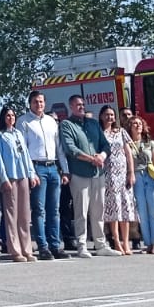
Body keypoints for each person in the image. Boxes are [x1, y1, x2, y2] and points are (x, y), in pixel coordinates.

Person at [59, 95, 111, 257]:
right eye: (77, 105)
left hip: (98, 173)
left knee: (98, 210)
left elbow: (105, 144)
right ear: (71, 106)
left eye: (82, 104)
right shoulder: (67, 125)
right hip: (80, 173)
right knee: (81, 211)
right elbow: (70, 148)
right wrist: (91, 159)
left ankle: (100, 244)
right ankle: (82, 245)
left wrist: (101, 156)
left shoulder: (94, 124)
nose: (81, 107)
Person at [19, 91, 67, 261]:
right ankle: (43, 246)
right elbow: (23, 150)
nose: (38, 104)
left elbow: (59, 146)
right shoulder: (24, 122)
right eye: (35, 102)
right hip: (37, 167)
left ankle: (55, 245)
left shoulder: (51, 121)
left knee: (54, 210)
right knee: (39, 210)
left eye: (41, 102)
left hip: (53, 167)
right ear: (30, 103)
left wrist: (65, 169)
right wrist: (31, 172)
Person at [0, 105, 35, 262]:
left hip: (22, 175)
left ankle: (27, 249)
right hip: (10, 177)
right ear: (3, 118)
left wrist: (31, 174)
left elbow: (26, 156)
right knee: (11, 214)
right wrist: (3, 179)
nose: (10, 118)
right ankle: (15, 250)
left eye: (12, 115)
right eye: (8, 116)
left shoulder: (18, 134)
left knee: (24, 214)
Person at [97, 105, 136, 256]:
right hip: (107, 175)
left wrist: (131, 173)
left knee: (125, 209)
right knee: (113, 209)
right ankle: (116, 241)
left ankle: (126, 242)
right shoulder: (99, 133)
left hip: (123, 174)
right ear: (101, 117)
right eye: (106, 115)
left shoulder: (121, 132)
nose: (110, 117)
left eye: (112, 115)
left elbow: (128, 153)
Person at [129, 116, 154, 255]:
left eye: (139, 124)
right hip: (137, 176)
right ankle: (148, 243)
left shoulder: (150, 143)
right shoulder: (128, 144)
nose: (138, 126)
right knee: (142, 211)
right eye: (134, 124)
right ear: (130, 127)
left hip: (150, 175)